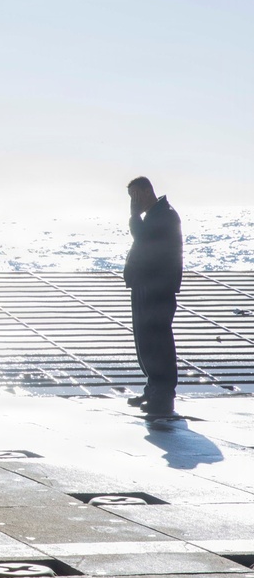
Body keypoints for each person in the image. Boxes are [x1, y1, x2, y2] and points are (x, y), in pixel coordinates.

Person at [124, 176, 183, 417]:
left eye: (136, 196)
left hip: (157, 289)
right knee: (145, 341)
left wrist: (134, 216)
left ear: (147, 192)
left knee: (158, 341)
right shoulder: (155, 215)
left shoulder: (165, 215)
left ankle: (164, 395)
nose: (134, 202)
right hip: (145, 286)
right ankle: (153, 388)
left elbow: (144, 239)